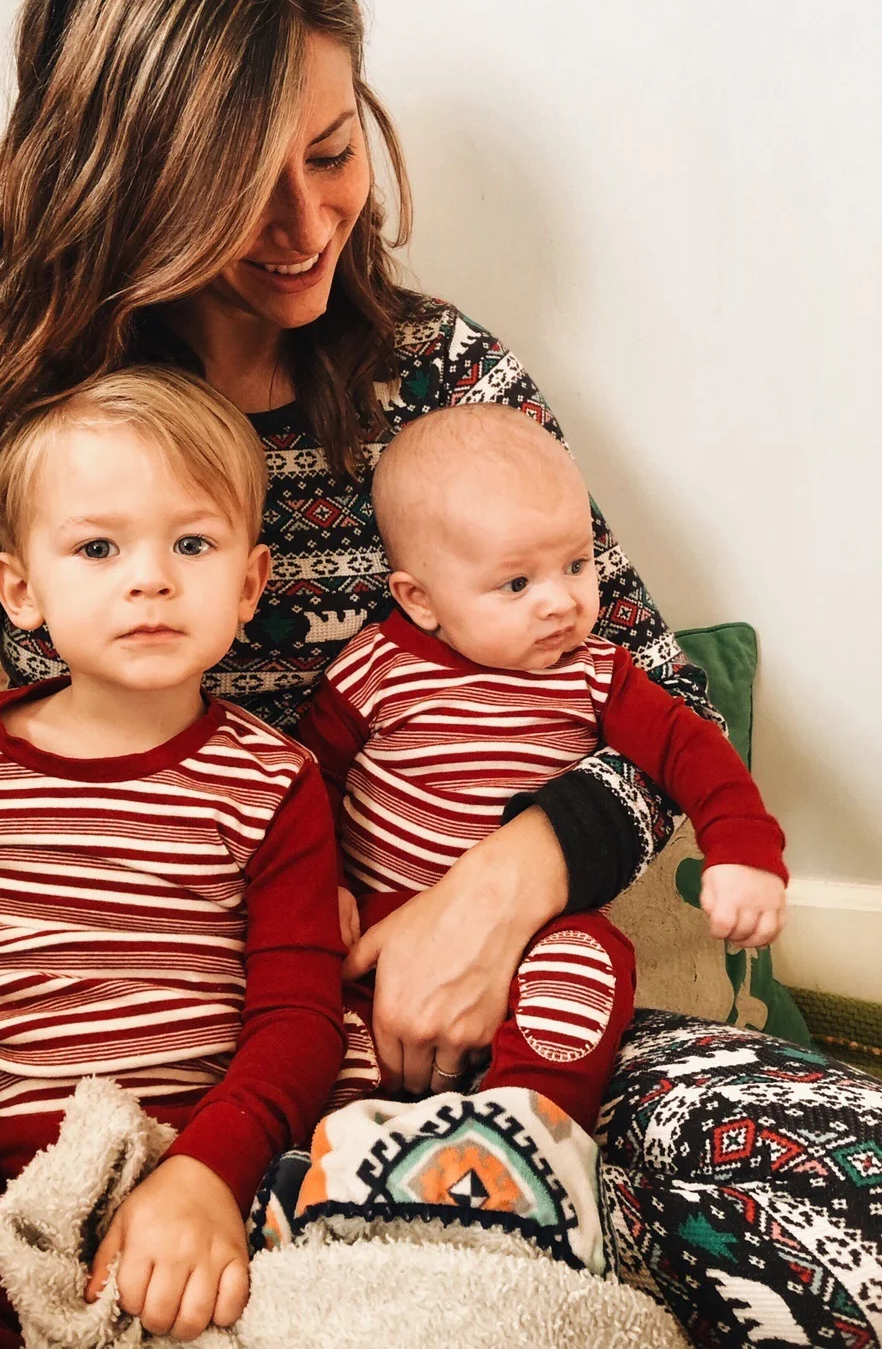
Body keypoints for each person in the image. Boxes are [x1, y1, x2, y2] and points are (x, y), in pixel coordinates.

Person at [0, 0, 874, 1349]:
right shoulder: (8, 382)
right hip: (82, 1054)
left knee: (846, 1196)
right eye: (234, 192)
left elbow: (656, 693)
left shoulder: (441, 381)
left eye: (332, 152)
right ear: (126, 180)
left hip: (462, 1040)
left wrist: (501, 889)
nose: (304, 228)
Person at [0, 367, 376, 1347]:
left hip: (194, 1162)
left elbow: (300, 1017)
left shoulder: (275, 783)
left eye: (192, 544)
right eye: (98, 547)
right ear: (20, 590)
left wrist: (207, 1172)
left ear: (250, 584)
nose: (151, 578)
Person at [300, 402, 787, 1158]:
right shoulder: (375, 668)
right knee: (317, 1013)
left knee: (589, 959)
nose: (561, 602)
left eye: (576, 565)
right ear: (419, 599)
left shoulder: (597, 673)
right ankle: (336, 1151)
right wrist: (324, 886)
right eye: (516, 583)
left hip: (540, 935)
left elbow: (691, 748)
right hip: (380, 927)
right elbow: (308, 782)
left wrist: (744, 849)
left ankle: (527, 1140)